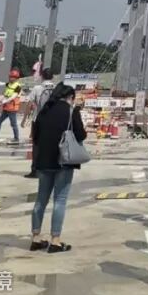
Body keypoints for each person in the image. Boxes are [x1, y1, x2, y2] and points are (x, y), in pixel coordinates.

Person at [30, 82, 87, 253]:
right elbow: (81, 135)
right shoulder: (71, 111)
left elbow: (35, 136)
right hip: (63, 160)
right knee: (60, 200)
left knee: (41, 199)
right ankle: (55, 240)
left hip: (43, 160)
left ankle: (35, 237)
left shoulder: (44, 111)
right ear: (70, 97)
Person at [24, 68, 56, 178]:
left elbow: (29, 103)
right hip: (52, 121)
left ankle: (35, 170)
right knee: (51, 145)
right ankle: (48, 169)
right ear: (53, 77)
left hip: (38, 120)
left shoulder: (37, 88)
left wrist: (24, 119)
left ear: (42, 76)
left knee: (36, 145)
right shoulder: (56, 88)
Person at [0, 69, 24, 144]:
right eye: (10, 76)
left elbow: (13, 97)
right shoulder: (8, 84)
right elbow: (5, 93)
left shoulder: (18, 87)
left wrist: (2, 102)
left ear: (16, 78)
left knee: (13, 124)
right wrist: (1, 99)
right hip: (6, 108)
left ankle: (16, 139)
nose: (11, 78)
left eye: (13, 77)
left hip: (12, 109)